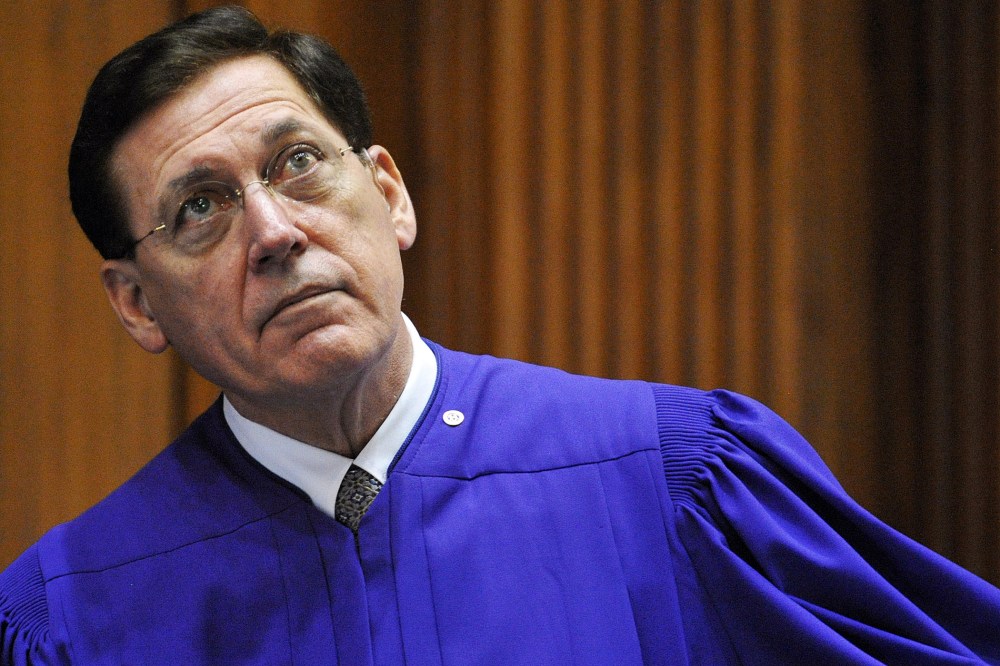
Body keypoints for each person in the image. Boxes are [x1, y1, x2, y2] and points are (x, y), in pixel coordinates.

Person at [1, 6, 998, 664]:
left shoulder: (674, 486)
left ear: (387, 193)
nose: (273, 232)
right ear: (136, 303)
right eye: (199, 209)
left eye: (299, 162)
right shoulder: (77, 615)